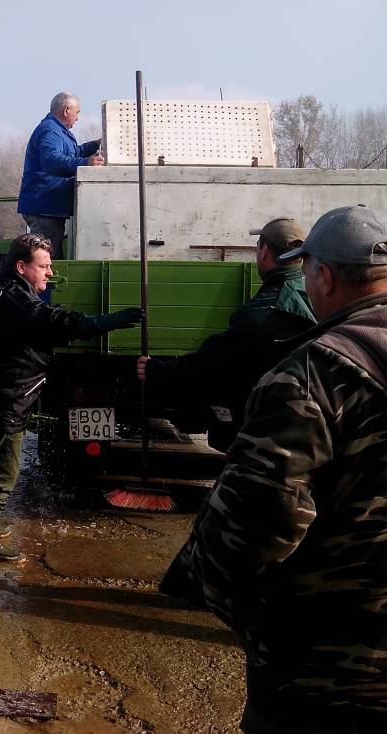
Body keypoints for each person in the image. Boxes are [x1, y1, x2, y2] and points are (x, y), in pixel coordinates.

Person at [159, 205, 387, 733]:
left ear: (325, 276)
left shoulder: (313, 377)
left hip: (327, 673)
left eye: (306, 270)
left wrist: (230, 605)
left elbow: (252, 526)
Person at [0, 233, 142, 561]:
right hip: (8, 400)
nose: (49, 272)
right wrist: (104, 322)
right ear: (21, 266)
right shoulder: (20, 304)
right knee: (1, 473)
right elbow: (53, 321)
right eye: (43, 265)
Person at [137, 217, 316, 451]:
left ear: (264, 252)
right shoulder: (316, 294)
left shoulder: (265, 310)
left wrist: (157, 370)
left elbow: (213, 364)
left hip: (266, 431)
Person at [17, 92, 104, 258]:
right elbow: (51, 160)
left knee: (51, 257)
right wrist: (85, 163)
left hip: (48, 206)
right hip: (44, 207)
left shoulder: (57, 131)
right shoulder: (51, 131)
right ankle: (43, 285)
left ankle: (47, 284)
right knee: (45, 259)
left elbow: (73, 152)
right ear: (66, 110)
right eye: (77, 112)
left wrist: (95, 144)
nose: (78, 118)